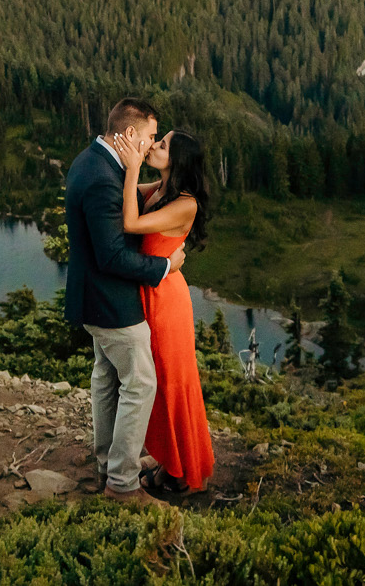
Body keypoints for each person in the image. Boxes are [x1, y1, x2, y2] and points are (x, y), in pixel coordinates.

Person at [62, 98, 184, 506]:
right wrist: (166, 266)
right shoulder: (103, 177)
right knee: (140, 381)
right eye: (149, 136)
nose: (151, 145)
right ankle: (123, 484)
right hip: (111, 302)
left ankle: (109, 461)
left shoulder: (93, 159)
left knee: (106, 378)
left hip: (92, 297)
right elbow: (112, 255)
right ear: (129, 134)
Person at [113, 126, 216, 494]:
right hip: (150, 291)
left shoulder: (184, 203)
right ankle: (169, 459)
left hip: (166, 301)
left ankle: (183, 472)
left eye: (162, 145)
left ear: (179, 160)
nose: (155, 146)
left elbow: (130, 222)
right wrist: (129, 157)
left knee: (173, 382)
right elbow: (122, 197)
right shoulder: (160, 190)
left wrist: (131, 167)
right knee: (154, 381)